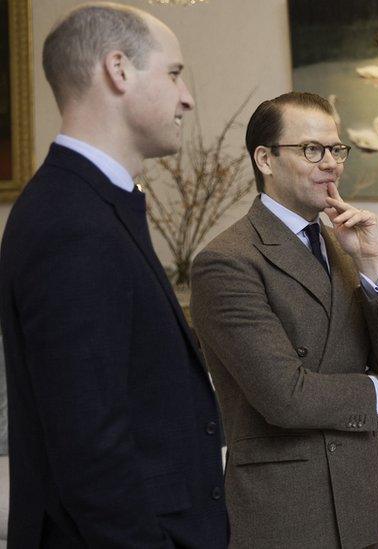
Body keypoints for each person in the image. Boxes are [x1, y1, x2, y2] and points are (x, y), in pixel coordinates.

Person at [0, 3, 228, 546]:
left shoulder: (95, 202)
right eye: (173, 73)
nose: (187, 96)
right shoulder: (70, 221)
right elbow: (90, 450)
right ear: (118, 70)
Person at [189, 92, 378, 548]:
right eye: (312, 150)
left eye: (336, 150)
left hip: (360, 496)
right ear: (266, 159)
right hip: (286, 510)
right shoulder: (226, 261)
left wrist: (372, 264)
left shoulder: (343, 242)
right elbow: (286, 397)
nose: (331, 163)